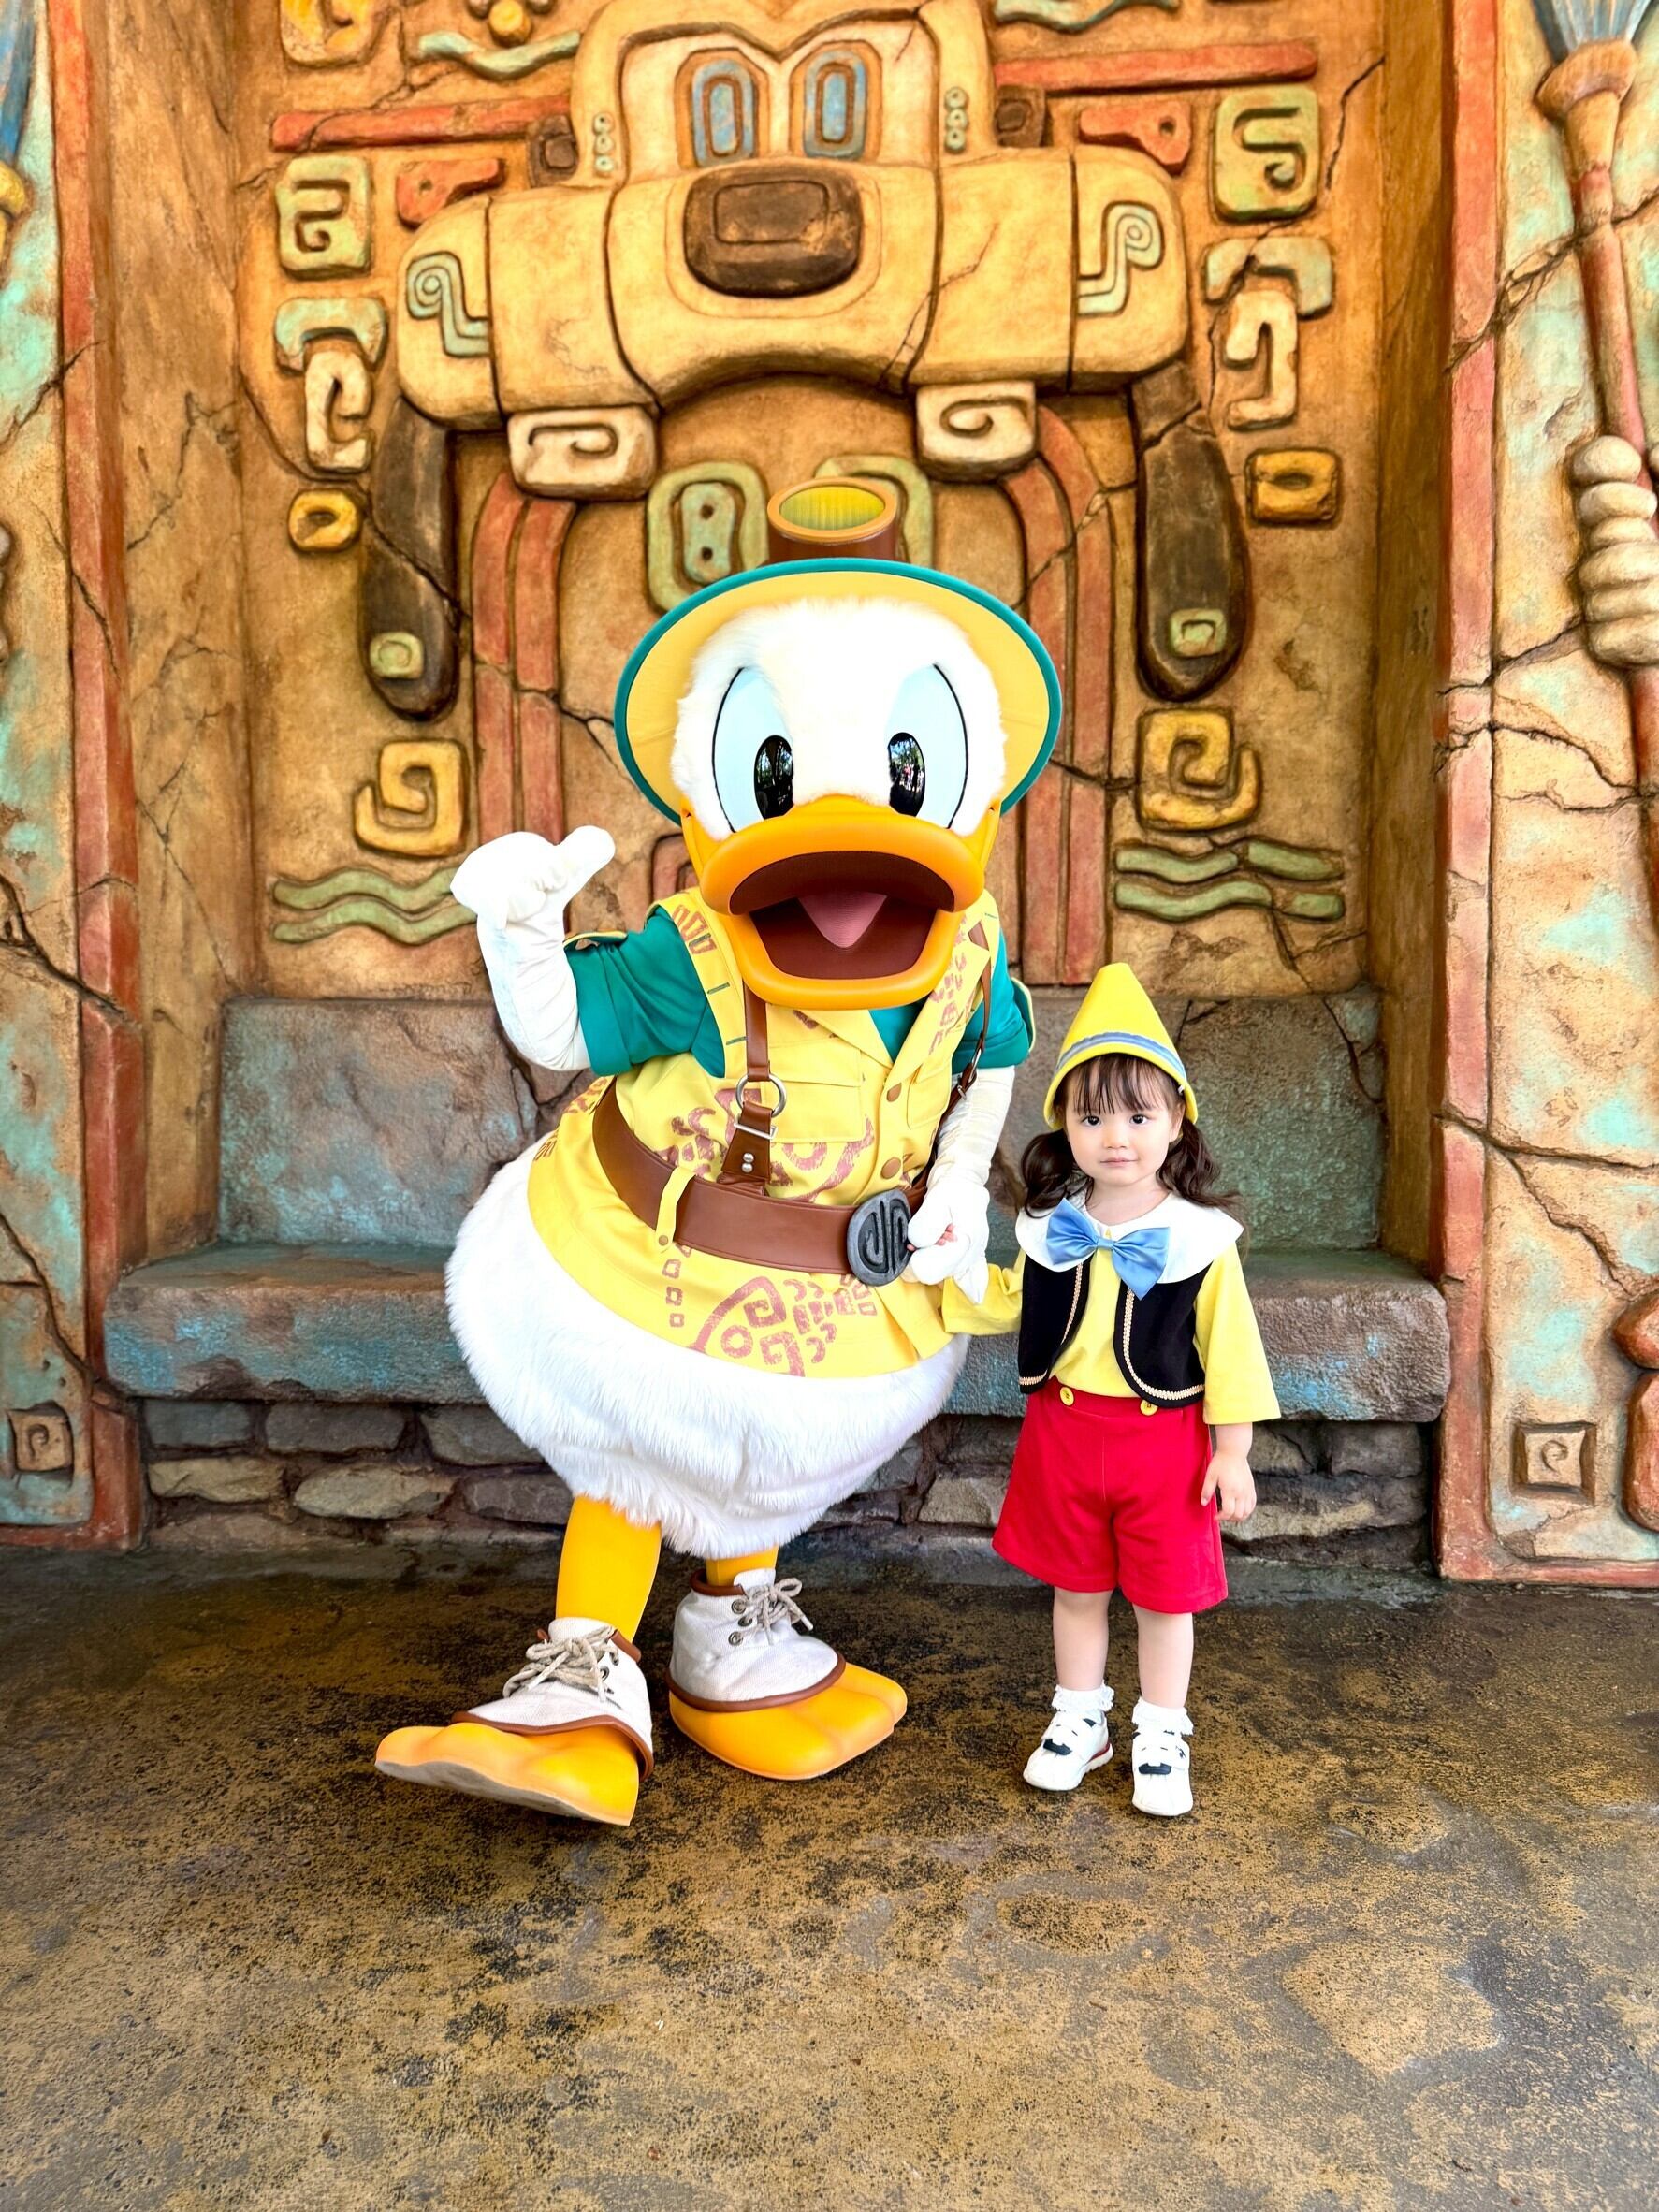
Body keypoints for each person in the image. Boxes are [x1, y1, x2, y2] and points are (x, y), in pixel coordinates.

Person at [942, 964, 1278, 1816]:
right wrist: (946, 1278)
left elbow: (1232, 1351)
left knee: (1164, 1600)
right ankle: (1079, 1718)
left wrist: (1232, 1453)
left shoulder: (1199, 1239)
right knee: (1075, 1587)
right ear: (1064, 1125)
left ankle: (1160, 1731)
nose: (1115, 1137)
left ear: (1176, 1123)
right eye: (1091, 1117)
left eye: (1137, 1116)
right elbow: (1017, 1302)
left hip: (1162, 1447)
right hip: (1061, 1438)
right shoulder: (1052, 1226)